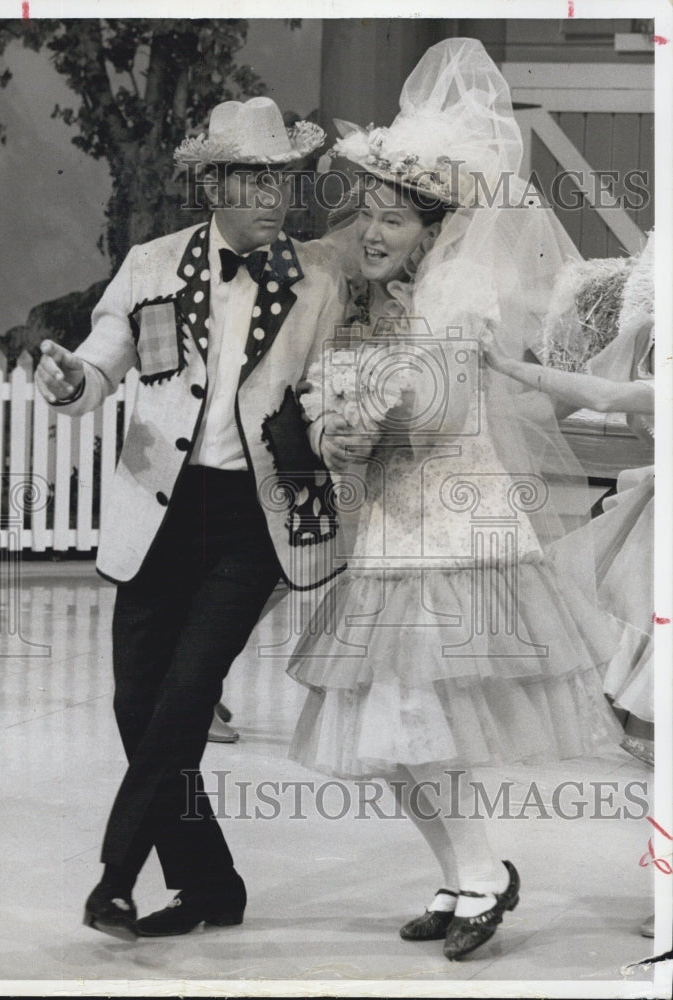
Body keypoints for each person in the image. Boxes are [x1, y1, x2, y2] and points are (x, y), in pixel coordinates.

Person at [287, 38, 628, 961]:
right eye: (367, 217)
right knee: (388, 731)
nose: (375, 233)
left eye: (395, 219)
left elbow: (435, 415)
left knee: (414, 718)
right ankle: (463, 872)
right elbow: (353, 411)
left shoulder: (457, 296)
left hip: (453, 527)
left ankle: (481, 876)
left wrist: (360, 421)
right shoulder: (375, 300)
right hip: (394, 529)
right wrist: (335, 427)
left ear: (434, 226)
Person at [35, 96, 346, 940]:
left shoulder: (317, 280)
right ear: (213, 182)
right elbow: (103, 356)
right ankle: (210, 885)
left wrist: (341, 422)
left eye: (282, 178)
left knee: (186, 693)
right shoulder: (151, 264)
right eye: (252, 178)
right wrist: (73, 381)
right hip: (157, 511)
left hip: (253, 519)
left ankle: (114, 878)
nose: (272, 195)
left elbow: (321, 389)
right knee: (139, 705)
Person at [486, 231, 656, 768]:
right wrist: (483, 419)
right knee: (618, 592)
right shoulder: (645, 335)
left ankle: (651, 726)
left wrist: (506, 364)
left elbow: (608, 398)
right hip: (660, 496)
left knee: (641, 594)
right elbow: (558, 402)